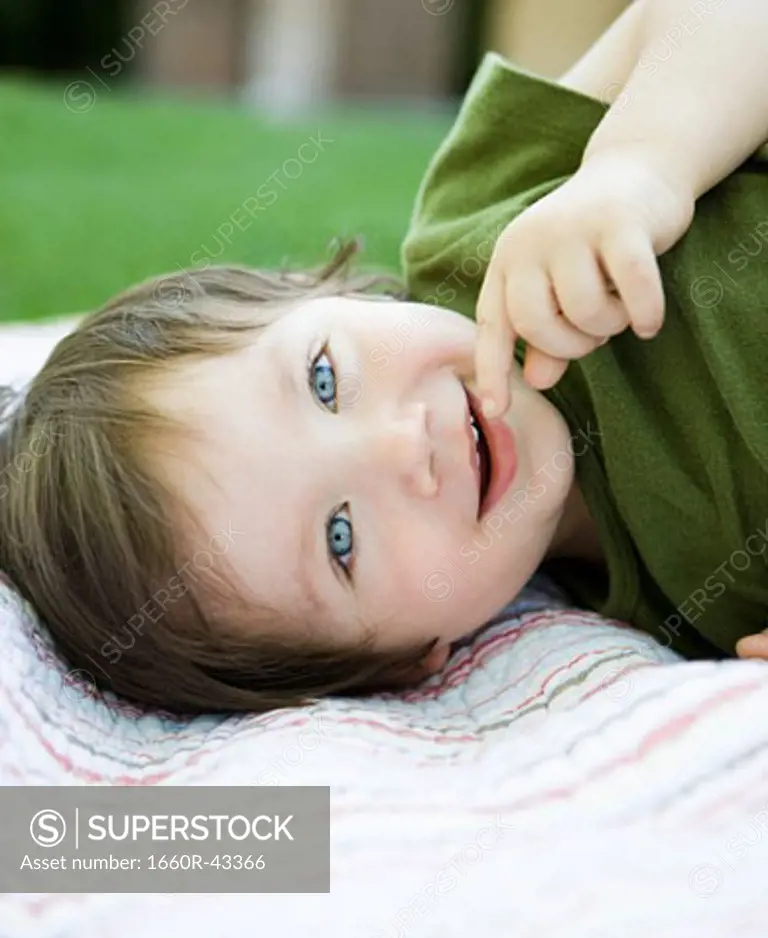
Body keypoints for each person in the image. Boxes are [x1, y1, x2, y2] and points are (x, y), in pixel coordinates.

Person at [0, 0, 766, 715]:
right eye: (341, 538)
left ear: (321, 293)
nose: (404, 446)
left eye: (323, 380)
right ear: (402, 666)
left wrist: (638, 167)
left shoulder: (487, 215)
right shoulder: (696, 616)